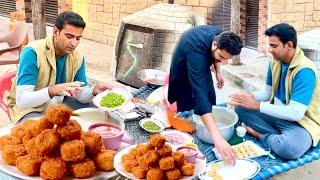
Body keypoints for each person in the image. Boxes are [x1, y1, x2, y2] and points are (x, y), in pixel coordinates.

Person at [230, 23, 320, 159]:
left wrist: (256, 105)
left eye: (274, 46)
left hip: (300, 123)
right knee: (239, 108)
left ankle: (259, 135)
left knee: (290, 148)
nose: (270, 50)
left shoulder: (305, 71)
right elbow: (267, 93)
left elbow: (296, 113)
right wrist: (248, 96)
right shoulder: (274, 63)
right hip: (276, 114)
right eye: (269, 45)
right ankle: (277, 137)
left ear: (289, 45)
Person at [7, 11, 111, 123]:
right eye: (69, 36)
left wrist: (93, 91)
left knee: (97, 115)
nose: (74, 43)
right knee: (43, 134)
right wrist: (52, 90)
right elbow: (22, 100)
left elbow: (81, 95)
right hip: (30, 109)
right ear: (56, 32)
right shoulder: (33, 53)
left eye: (78, 38)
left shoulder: (78, 58)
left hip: (59, 103)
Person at [168, 25, 243, 165]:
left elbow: (218, 56)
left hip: (205, 53)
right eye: (221, 57)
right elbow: (200, 96)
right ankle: (186, 122)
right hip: (184, 61)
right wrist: (218, 139)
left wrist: (218, 71)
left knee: (209, 94)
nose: (222, 61)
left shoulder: (223, 37)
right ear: (215, 44)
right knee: (193, 95)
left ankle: (206, 120)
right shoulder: (197, 53)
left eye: (227, 59)